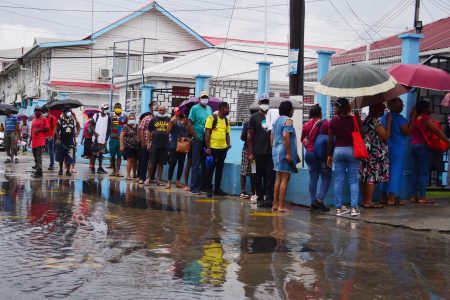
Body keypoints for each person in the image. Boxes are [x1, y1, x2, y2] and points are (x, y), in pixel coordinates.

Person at [410, 100, 450, 204]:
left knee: (415, 172)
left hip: (413, 146)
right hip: (422, 147)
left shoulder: (414, 118)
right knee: (423, 172)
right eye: (429, 106)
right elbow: (436, 131)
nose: (431, 108)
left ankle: (414, 196)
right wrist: (447, 141)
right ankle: (422, 197)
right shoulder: (425, 118)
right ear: (424, 109)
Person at [327, 98, 361, 217]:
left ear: (337, 109)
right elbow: (361, 133)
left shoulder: (333, 122)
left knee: (338, 180)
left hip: (338, 151)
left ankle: (338, 209)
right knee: (353, 180)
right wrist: (357, 119)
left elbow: (330, 140)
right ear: (348, 108)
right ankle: (354, 208)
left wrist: (329, 155)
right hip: (352, 150)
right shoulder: (354, 119)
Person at [380, 98, 415, 205]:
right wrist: (412, 118)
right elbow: (407, 132)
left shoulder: (383, 117)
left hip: (386, 147)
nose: (402, 107)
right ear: (395, 107)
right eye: (401, 106)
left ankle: (383, 197)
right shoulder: (399, 119)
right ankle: (391, 198)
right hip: (397, 148)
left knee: (385, 171)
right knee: (395, 171)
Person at [359, 103, 391, 209]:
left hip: (366, 152)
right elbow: (385, 136)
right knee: (372, 177)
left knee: (365, 176)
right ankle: (369, 201)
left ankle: (365, 200)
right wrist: (389, 122)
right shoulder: (375, 121)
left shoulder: (365, 121)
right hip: (374, 153)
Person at [301, 104, 331, 212]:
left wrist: (309, 147)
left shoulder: (306, 125)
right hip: (322, 155)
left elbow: (303, 139)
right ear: (320, 113)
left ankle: (313, 202)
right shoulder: (325, 123)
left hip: (309, 155)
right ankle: (320, 200)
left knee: (313, 178)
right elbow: (330, 138)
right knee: (326, 178)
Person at [247, 94, 275, 208]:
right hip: (255, 153)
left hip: (270, 153)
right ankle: (259, 197)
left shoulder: (272, 116)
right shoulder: (254, 117)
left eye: (266, 102)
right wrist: (250, 153)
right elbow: (249, 136)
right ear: (259, 103)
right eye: (263, 102)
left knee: (270, 176)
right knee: (255, 175)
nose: (265, 104)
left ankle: (268, 197)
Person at [271, 101, 298, 212]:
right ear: (289, 110)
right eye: (292, 109)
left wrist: (273, 147)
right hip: (284, 152)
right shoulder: (288, 120)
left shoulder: (276, 121)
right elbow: (286, 136)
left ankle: (275, 205)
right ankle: (281, 206)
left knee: (278, 179)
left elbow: (271, 136)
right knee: (285, 180)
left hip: (276, 151)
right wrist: (288, 153)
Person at [187, 91, 213, 194]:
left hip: (206, 139)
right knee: (196, 164)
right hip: (197, 139)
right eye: (203, 97)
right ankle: (194, 187)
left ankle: (202, 186)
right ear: (199, 99)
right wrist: (196, 137)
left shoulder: (209, 109)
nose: (205, 99)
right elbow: (189, 125)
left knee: (204, 164)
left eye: (206, 97)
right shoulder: (194, 109)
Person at [204, 102, 231, 197]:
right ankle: (208, 189)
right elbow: (207, 133)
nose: (228, 110)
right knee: (210, 169)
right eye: (227, 108)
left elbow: (227, 133)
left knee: (220, 170)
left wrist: (228, 145)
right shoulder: (212, 118)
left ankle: (217, 189)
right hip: (213, 149)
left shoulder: (226, 120)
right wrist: (208, 148)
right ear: (221, 108)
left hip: (223, 149)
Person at [148, 105, 171, 186]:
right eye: (160, 110)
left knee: (161, 163)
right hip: (155, 144)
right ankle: (149, 178)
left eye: (163, 110)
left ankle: (158, 180)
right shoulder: (153, 119)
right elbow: (149, 131)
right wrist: (148, 143)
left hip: (165, 144)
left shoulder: (169, 119)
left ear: (166, 111)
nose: (161, 112)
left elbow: (171, 131)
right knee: (152, 162)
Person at [166, 108, 188, 189]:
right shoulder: (173, 120)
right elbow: (168, 131)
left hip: (183, 144)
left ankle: (178, 181)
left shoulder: (186, 120)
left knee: (181, 164)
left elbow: (188, 131)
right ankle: (169, 181)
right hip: (174, 145)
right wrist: (171, 122)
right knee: (172, 163)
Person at [240, 108, 258, 201]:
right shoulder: (249, 123)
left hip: (249, 150)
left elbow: (242, 137)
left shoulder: (248, 123)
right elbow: (242, 137)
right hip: (249, 151)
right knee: (251, 171)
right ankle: (249, 191)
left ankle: (247, 191)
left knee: (249, 171)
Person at [54, 106, 77, 176]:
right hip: (62, 141)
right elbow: (56, 130)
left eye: (69, 111)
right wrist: (58, 137)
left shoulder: (72, 121)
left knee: (70, 156)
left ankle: (68, 170)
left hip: (70, 141)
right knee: (61, 156)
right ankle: (60, 169)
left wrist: (74, 140)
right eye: (67, 111)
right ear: (64, 113)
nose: (68, 112)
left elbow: (73, 131)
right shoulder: (60, 120)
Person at [138, 102, 157, 184]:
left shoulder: (160, 119)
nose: (156, 109)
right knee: (144, 160)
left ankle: (151, 177)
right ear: (151, 108)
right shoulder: (146, 118)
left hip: (156, 143)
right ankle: (142, 177)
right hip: (146, 142)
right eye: (155, 107)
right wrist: (142, 141)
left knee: (154, 161)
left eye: (157, 107)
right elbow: (141, 129)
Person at [30, 107, 49, 178]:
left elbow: (47, 128)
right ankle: (38, 171)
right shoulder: (33, 120)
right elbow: (32, 130)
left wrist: (39, 130)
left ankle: (39, 172)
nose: (37, 112)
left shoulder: (44, 119)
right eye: (36, 111)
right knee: (35, 157)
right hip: (34, 141)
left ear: (41, 112)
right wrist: (30, 140)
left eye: (38, 111)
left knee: (38, 157)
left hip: (40, 141)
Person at [91, 103, 110, 174]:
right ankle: (92, 167)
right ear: (101, 108)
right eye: (105, 108)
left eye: (107, 109)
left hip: (103, 138)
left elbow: (108, 128)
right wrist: (94, 132)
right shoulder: (96, 115)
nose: (106, 110)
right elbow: (91, 125)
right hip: (96, 139)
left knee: (101, 154)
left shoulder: (108, 117)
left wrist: (106, 139)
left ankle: (100, 167)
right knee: (94, 154)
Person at [109, 103, 128, 177]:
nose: (117, 108)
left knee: (119, 156)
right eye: (116, 107)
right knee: (112, 156)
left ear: (121, 108)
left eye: (119, 107)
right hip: (113, 139)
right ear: (114, 108)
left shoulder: (125, 117)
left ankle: (117, 171)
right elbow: (108, 127)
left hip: (121, 139)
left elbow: (126, 128)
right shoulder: (110, 116)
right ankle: (113, 170)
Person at [120, 113, 139, 180]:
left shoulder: (137, 126)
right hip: (128, 146)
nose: (132, 120)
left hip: (136, 147)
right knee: (129, 160)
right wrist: (121, 145)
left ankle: (134, 174)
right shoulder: (126, 127)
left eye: (133, 119)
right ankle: (128, 175)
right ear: (128, 119)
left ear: (135, 119)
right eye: (130, 119)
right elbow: (121, 136)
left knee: (135, 161)